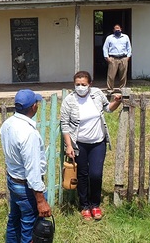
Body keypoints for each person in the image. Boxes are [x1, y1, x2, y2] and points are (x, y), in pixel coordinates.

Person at [60, 71, 121, 220]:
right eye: (77, 84)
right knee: (82, 174)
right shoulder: (69, 100)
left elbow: (108, 108)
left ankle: (95, 204)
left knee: (96, 174)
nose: (80, 87)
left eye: (83, 84)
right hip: (79, 143)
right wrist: (69, 146)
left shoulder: (96, 94)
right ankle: (84, 205)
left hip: (98, 142)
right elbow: (65, 125)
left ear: (90, 84)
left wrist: (117, 101)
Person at [0, 89, 52, 243]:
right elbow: (33, 170)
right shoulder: (29, 134)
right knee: (30, 228)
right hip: (26, 187)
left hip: (13, 180)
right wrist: (41, 201)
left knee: (14, 220)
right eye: (37, 103)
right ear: (33, 107)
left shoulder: (7, 124)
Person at [102, 24, 132, 93]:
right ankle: (110, 89)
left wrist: (128, 56)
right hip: (113, 58)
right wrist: (107, 57)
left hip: (123, 58)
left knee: (123, 75)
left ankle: (122, 89)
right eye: (116, 30)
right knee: (111, 75)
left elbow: (129, 47)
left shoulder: (125, 37)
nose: (117, 31)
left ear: (121, 29)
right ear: (113, 30)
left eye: (118, 30)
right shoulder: (109, 38)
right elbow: (105, 47)